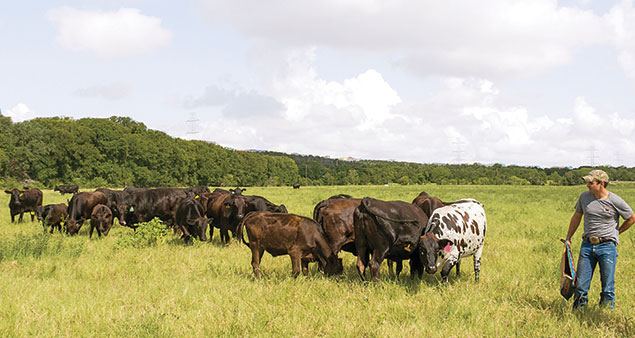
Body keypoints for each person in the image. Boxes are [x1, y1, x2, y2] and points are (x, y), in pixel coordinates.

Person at [565, 169, 635, 310]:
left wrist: (617, 232)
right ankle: (579, 312)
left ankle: (605, 314)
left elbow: (631, 218)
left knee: (607, 285)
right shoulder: (584, 197)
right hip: (587, 245)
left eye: (591, 183)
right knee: (580, 284)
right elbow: (577, 217)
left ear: (601, 183)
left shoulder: (614, 200)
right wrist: (568, 237)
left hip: (607, 246)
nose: (588, 185)